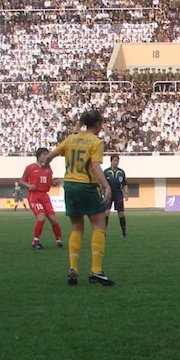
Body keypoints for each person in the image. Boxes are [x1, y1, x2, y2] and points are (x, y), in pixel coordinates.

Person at [45, 109, 115, 286]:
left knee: (76, 227)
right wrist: (107, 186)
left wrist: (47, 170)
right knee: (99, 225)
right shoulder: (95, 142)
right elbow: (96, 166)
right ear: (98, 124)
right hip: (87, 185)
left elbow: (49, 157)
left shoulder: (71, 138)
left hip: (69, 185)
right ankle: (96, 271)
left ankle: (73, 269)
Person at [20, 147, 64, 250]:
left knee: (53, 219)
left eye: (47, 155)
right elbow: (22, 181)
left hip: (44, 195)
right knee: (42, 217)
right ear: (38, 156)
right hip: (34, 195)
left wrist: (54, 183)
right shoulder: (30, 167)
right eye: (44, 155)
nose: (46, 157)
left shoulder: (48, 169)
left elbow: (49, 183)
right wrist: (29, 185)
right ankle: (35, 242)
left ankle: (59, 241)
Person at [103, 154, 130, 238]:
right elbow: (101, 183)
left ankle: (124, 232)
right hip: (109, 193)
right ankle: (103, 232)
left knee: (121, 213)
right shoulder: (106, 172)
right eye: (115, 160)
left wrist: (126, 193)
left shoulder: (121, 172)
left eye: (117, 161)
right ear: (111, 161)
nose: (116, 162)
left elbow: (125, 184)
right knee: (106, 212)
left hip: (118, 193)